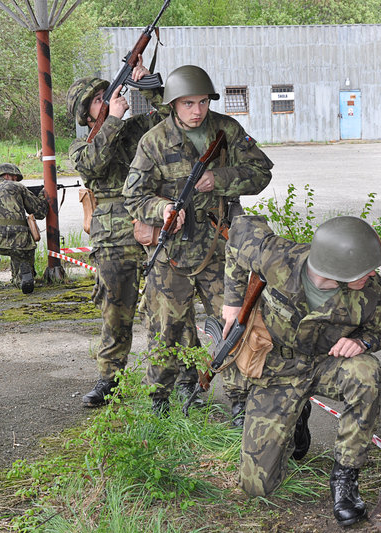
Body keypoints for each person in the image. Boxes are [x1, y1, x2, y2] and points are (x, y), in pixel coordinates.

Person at [222, 215, 381, 527]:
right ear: (336, 268)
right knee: (256, 486)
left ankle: (345, 477)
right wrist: (232, 303)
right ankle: (297, 417)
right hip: (279, 370)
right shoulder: (278, 258)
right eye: (365, 268)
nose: (373, 273)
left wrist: (363, 341)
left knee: (366, 373)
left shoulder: (371, 291)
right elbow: (238, 232)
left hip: (328, 365)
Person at [123, 65, 273, 420]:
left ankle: (241, 401)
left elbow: (261, 172)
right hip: (170, 253)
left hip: (219, 250)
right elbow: (133, 195)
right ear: (173, 104)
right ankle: (159, 398)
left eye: (203, 102)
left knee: (235, 325)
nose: (197, 111)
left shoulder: (226, 130)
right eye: (188, 103)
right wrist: (162, 210)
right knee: (165, 328)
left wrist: (217, 179)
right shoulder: (154, 141)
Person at [67, 58, 200, 408]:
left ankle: (188, 377)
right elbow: (94, 163)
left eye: (107, 95)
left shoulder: (139, 129)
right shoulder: (83, 146)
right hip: (112, 235)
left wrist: (151, 88)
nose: (107, 101)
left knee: (172, 306)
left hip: (155, 223)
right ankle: (110, 378)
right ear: (86, 114)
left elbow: (173, 122)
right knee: (115, 308)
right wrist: (111, 119)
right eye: (98, 99)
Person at [0, 163, 48, 294]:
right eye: (15, 177)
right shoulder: (18, 187)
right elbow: (40, 213)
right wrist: (41, 196)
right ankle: (23, 276)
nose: (17, 180)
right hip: (21, 239)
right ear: (7, 175)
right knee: (22, 256)